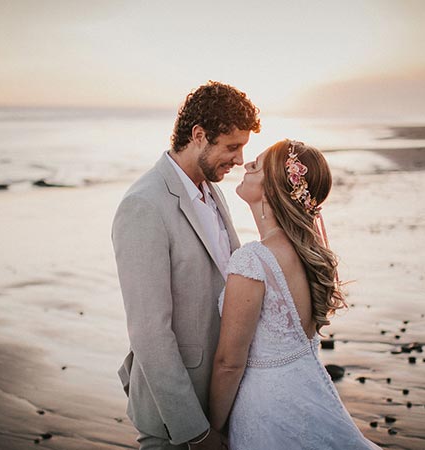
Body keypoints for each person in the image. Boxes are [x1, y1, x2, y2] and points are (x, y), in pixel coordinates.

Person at [112, 81, 261, 449]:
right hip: (175, 419)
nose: (240, 159)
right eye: (232, 147)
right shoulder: (144, 206)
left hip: (217, 398)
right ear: (198, 135)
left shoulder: (212, 191)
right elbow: (149, 332)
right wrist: (194, 430)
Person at [208, 139, 381, 449]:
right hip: (310, 392)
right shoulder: (309, 253)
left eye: (256, 165)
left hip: (267, 411)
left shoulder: (253, 260)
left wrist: (211, 429)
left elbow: (229, 363)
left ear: (272, 188)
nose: (245, 165)